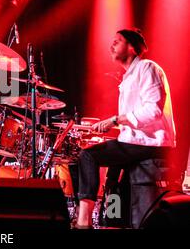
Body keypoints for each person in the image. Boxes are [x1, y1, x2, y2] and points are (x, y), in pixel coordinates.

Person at [75, 28, 176, 228]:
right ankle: (113, 220)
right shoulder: (129, 77)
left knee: (88, 156)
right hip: (135, 142)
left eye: (117, 41)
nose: (111, 45)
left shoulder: (147, 68)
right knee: (112, 182)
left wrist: (115, 120)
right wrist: (113, 124)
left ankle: (83, 221)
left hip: (151, 143)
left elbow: (153, 110)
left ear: (131, 47)